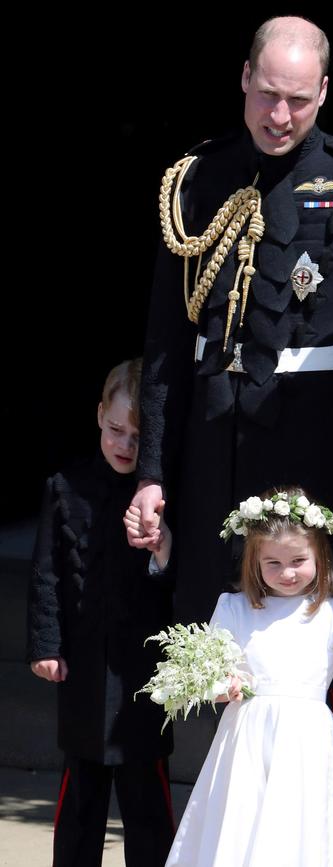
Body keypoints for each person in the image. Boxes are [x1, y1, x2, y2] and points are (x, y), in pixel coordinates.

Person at [128, 15, 333, 784]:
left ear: (322, 92)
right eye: (267, 95)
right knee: (216, 648)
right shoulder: (195, 181)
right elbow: (164, 343)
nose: (280, 116)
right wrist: (154, 470)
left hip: (316, 452)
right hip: (218, 449)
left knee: (323, 654)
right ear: (245, 79)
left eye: (298, 99)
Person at [163, 486, 333, 867]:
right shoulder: (235, 608)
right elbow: (213, 675)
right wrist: (222, 686)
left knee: (301, 825)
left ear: (320, 556)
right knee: (242, 823)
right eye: (273, 563)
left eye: (299, 560)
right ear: (254, 562)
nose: (287, 573)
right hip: (247, 739)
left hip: (307, 740)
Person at [27, 358, 176, 867]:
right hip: (86, 667)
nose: (124, 445)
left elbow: (177, 581)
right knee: (81, 793)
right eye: (116, 429)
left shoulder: (162, 500)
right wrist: (47, 644)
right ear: (97, 417)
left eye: (138, 436)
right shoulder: (64, 487)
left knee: (146, 797)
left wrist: (163, 551)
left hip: (144, 670)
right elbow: (46, 573)